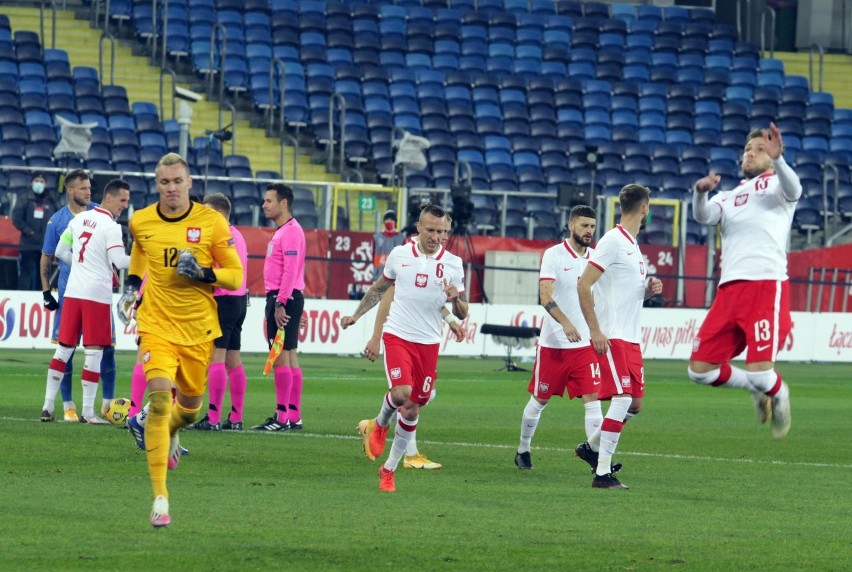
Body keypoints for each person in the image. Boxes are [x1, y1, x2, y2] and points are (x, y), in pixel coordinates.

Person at [119, 152, 243, 527]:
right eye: (163, 182)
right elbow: (141, 253)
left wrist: (205, 272)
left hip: (198, 329)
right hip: (155, 322)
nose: (171, 188)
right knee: (158, 401)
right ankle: (160, 497)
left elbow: (236, 277)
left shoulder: (211, 223)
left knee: (188, 410)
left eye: (177, 181)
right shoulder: (140, 221)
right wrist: (130, 286)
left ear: (190, 183)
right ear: (156, 184)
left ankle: (171, 428)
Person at [342, 204, 468, 492]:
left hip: (428, 343)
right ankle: (381, 425)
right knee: (401, 393)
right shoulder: (400, 255)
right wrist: (356, 316)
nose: (436, 236)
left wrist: (455, 300)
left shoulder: (453, 264)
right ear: (419, 228)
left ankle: (388, 469)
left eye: (442, 231)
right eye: (431, 230)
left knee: (412, 411)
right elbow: (379, 289)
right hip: (398, 335)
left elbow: (462, 310)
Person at [687, 124, 798, 439]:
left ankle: (780, 394)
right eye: (748, 150)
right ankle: (756, 388)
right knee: (699, 371)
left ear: (773, 154)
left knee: (763, 373)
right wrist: (700, 192)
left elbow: (795, 191)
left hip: (764, 285)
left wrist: (778, 161)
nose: (750, 153)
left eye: (759, 149)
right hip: (729, 290)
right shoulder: (729, 195)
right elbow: (703, 216)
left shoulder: (778, 185)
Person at [514, 205, 616, 472]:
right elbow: (545, 296)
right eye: (584, 226)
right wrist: (567, 323)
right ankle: (523, 448)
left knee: (593, 399)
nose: (589, 231)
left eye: (592, 226)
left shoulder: (595, 259)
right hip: (555, 345)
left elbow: (605, 297)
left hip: (584, 346)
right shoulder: (554, 255)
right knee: (539, 400)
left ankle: (597, 459)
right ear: (571, 225)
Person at [576, 184, 663, 490]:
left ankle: (590, 447)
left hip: (631, 338)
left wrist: (647, 293)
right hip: (612, 336)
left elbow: (623, 293)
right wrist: (595, 330)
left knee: (635, 404)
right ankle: (602, 473)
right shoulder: (612, 241)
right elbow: (584, 285)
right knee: (622, 398)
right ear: (644, 208)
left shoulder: (632, 246)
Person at [43, 179, 131, 424]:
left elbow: (60, 252)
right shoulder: (110, 226)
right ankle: (89, 413)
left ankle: (48, 406)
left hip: (72, 294)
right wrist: (148, 260)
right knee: (93, 354)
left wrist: (81, 265)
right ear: (109, 198)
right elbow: (120, 261)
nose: (125, 205)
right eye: (122, 200)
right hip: (96, 296)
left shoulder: (78, 219)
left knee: (63, 350)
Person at [189, 193, 249, 431]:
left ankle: (213, 418)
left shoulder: (221, 236)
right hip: (239, 301)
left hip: (223, 300)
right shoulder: (238, 235)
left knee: (217, 356)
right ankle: (235, 418)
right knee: (233, 359)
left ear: (219, 214)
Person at [252, 183, 307, 432]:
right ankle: (293, 415)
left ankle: (282, 416)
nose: (264, 205)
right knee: (290, 355)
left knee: (280, 357)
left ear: (283, 203)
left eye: (269, 201)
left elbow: (290, 270)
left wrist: (281, 302)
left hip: (282, 298)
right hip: (287, 296)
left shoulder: (291, 232)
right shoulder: (285, 231)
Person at [13, 174, 59, 291]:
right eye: (37, 180)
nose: (39, 183)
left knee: (42, 275)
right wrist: (28, 231)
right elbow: (17, 218)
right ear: (32, 182)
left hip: (45, 246)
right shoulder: (24, 198)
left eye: (42, 181)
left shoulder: (51, 200)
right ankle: (22, 298)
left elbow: (57, 218)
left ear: (45, 184)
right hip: (28, 244)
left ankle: (41, 299)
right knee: (27, 274)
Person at [372, 209, 405, 281]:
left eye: (391, 219)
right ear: (384, 221)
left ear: (395, 222)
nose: (389, 221)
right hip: (378, 277)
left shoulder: (402, 238)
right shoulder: (376, 237)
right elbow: (373, 256)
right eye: (387, 219)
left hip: (396, 278)